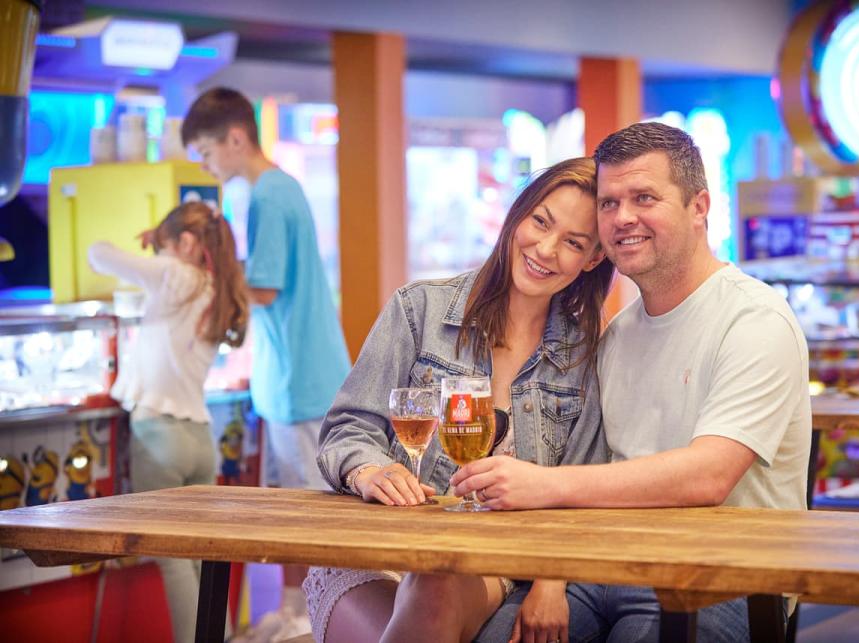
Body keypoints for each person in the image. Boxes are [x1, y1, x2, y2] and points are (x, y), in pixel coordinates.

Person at [454, 122, 811, 643]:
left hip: (723, 575)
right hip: (602, 564)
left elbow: (709, 475)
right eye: (609, 203)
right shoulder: (615, 336)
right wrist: (553, 575)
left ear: (699, 207)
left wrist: (543, 485)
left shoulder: (755, 319)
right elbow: (594, 465)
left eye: (644, 197)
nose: (622, 218)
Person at [306, 157, 616, 643]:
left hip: (493, 566)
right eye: (541, 222)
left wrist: (552, 580)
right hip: (379, 553)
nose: (546, 249)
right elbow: (348, 429)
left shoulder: (585, 352)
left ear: (593, 259)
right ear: (516, 215)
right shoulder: (420, 309)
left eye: (574, 243)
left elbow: (584, 484)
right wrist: (369, 471)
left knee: (438, 583)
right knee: (430, 587)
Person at [181, 87, 352, 641]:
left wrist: (202, 268)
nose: (206, 165)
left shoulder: (268, 197)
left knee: (307, 511)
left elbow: (264, 288)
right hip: (295, 377)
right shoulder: (279, 188)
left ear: (236, 138)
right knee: (293, 506)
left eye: (206, 152)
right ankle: (294, 609)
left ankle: (309, 618)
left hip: (302, 381)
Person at [88, 201, 248, 643]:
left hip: (159, 435)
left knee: (173, 557)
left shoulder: (176, 275)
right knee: (200, 554)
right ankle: (225, 636)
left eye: (167, 244)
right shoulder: (219, 286)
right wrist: (161, 242)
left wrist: (151, 245)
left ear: (188, 243)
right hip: (199, 438)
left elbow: (99, 254)